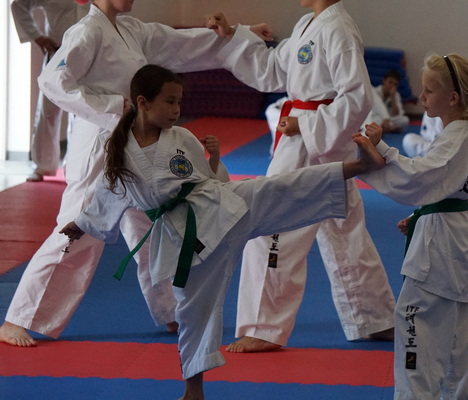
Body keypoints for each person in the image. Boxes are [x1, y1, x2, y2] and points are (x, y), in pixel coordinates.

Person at [58, 64, 387, 400]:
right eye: (169, 102)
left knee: (279, 186)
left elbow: (212, 180)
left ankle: (361, 165)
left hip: (221, 206)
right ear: (143, 102)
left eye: (179, 102)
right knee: (192, 312)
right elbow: (105, 197)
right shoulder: (120, 152)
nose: (176, 110)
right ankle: (193, 390)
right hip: (184, 238)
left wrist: (214, 159)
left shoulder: (181, 137)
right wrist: (81, 225)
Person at [0, 0, 263, 347]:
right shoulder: (87, 31)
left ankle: (171, 310)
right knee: (80, 228)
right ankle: (19, 318)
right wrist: (112, 106)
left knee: (152, 224)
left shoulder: (131, 29)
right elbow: (52, 81)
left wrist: (240, 37)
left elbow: (178, 44)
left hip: (136, 139)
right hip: (99, 141)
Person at [207, 0, 396, 354]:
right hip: (312, 137)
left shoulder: (339, 29)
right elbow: (272, 69)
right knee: (344, 231)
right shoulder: (307, 24)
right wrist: (232, 36)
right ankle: (375, 317)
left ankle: (265, 327)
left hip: (310, 140)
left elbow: (357, 98)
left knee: (270, 224)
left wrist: (305, 124)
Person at [359, 53, 468, 399]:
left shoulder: (457, 138)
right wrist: (422, 215)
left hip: (441, 245)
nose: (422, 96)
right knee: (456, 338)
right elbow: (447, 188)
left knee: (415, 324)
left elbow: (419, 178)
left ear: (452, 98)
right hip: (454, 232)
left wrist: (381, 151)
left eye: (429, 90)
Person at [10, 0, 89, 181]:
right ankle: (43, 166)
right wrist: (37, 36)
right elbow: (18, 5)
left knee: (81, 112)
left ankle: (75, 167)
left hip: (87, 55)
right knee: (48, 112)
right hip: (57, 53)